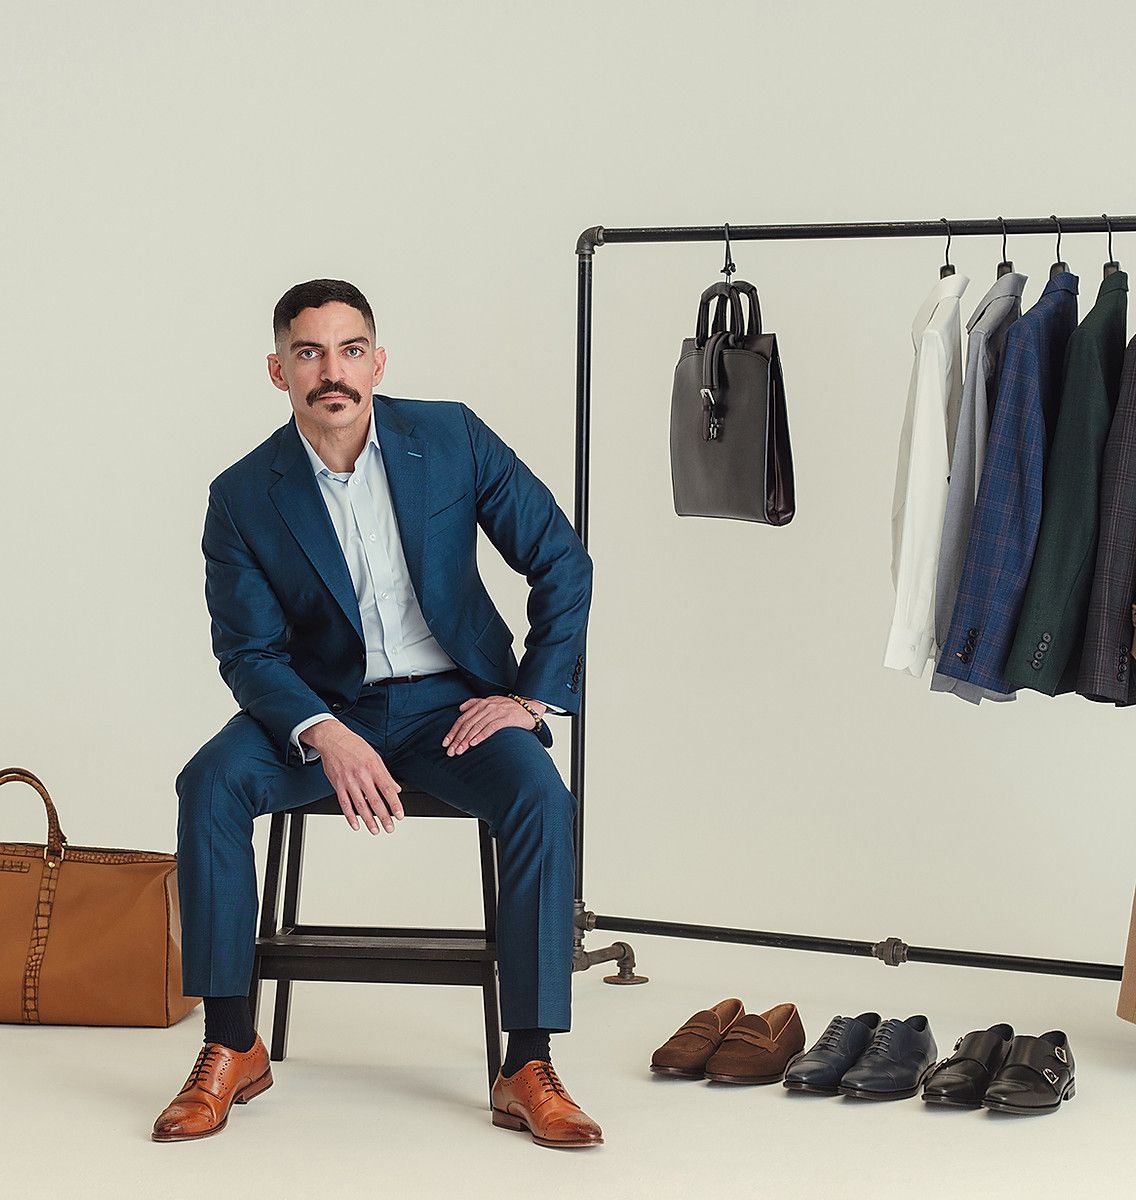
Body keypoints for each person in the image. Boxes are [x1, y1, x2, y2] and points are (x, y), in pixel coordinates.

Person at [151, 279, 602, 1149]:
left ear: (378, 361)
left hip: (452, 705)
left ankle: (528, 1064)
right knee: (209, 782)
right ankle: (231, 1043)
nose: (333, 371)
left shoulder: (451, 437)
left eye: (350, 350)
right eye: (309, 353)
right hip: (321, 708)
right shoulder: (242, 495)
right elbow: (248, 652)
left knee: (541, 797)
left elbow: (561, 558)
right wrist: (323, 732)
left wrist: (526, 697)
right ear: (278, 370)